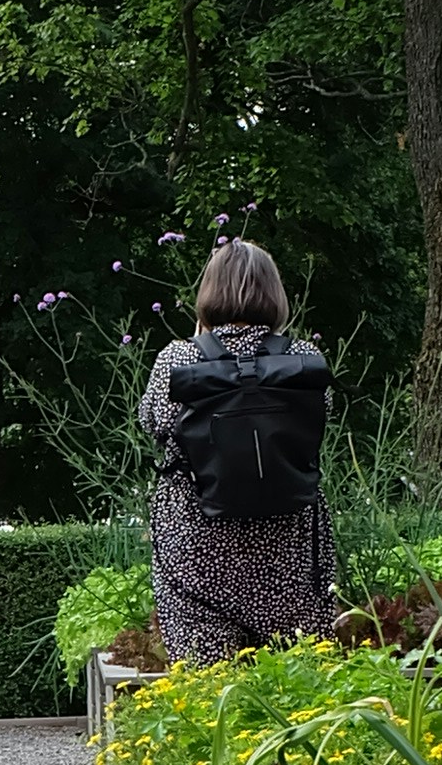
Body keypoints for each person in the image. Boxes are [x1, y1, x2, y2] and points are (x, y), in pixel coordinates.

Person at [140, 241, 338, 662]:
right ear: (275, 294)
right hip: (289, 553)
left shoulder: (178, 360)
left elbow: (154, 423)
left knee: (210, 687)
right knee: (299, 682)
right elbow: (322, 418)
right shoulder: (303, 359)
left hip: (197, 551)